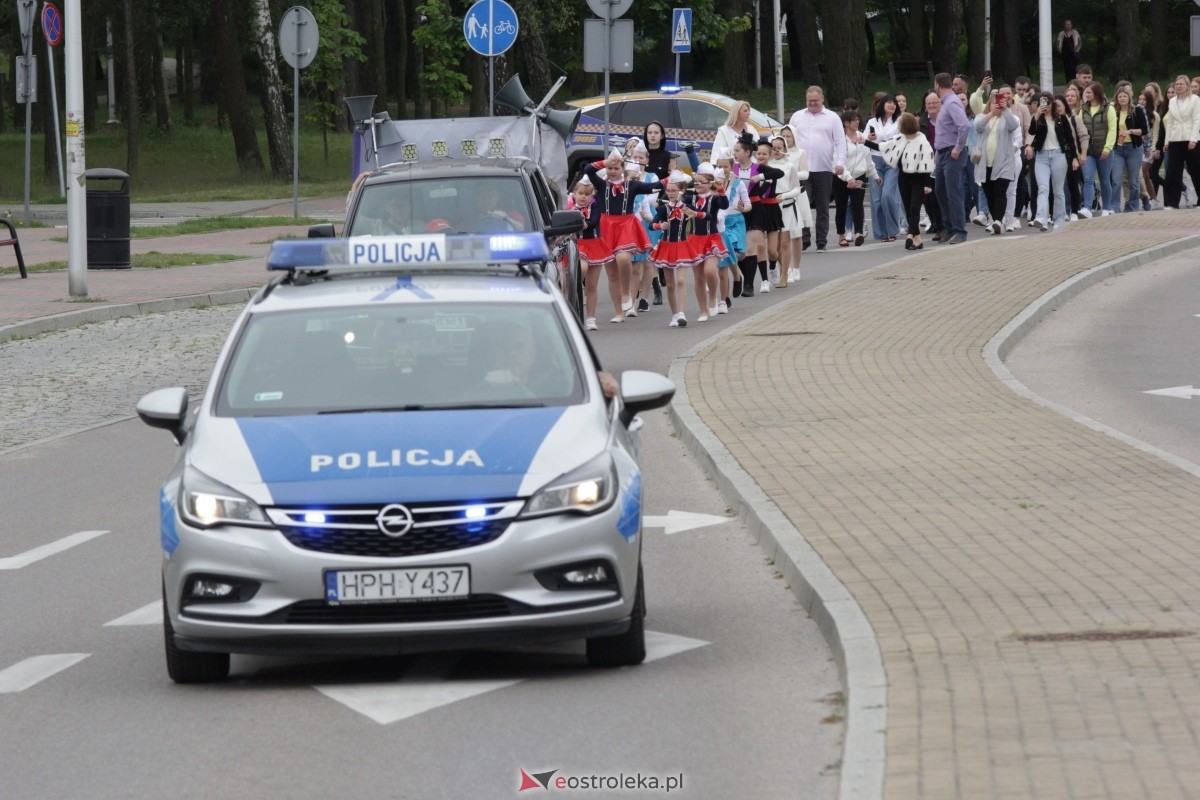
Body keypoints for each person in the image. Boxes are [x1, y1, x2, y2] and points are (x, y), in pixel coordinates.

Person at [582, 150, 664, 322]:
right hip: (606, 226)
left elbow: (651, 188)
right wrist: (606, 161)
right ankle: (619, 312)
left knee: (624, 259)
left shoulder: (632, 185)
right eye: (610, 168)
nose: (612, 171)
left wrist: (671, 180)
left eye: (616, 168)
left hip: (626, 225)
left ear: (623, 168)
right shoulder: (602, 184)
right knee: (612, 273)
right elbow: (588, 169)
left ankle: (627, 293)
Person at [788, 86, 845, 253]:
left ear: (822, 99)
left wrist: (840, 162)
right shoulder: (797, 116)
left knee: (822, 206)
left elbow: (840, 141)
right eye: (809, 101)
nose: (812, 103)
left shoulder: (832, 117)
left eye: (815, 100)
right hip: (801, 169)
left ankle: (821, 241)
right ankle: (804, 239)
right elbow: (788, 140)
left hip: (824, 168)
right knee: (801, 205)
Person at [649, 171, 703, 327]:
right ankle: (674, 315)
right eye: (669, 190)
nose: (671, 193)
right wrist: (661, 225)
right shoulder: (663, 209)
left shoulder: (688, 207)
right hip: (666, 247)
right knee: (671, 284)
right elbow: (652, 225)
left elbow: (703, 215)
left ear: (682, 191)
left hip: (682, 246)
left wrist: (695, 214)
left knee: (681, 280)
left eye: (674, 190)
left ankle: (681, 313)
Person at [880, 112, 935, 250]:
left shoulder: (922, 140)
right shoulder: (900, 139)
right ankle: (918, 240)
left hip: (918, 179)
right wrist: (865, 142)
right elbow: (885, 147)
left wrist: (928, 184)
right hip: (903, 179)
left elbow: (928, 163)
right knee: (908, 208)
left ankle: (910, 235)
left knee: (914, 208)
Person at [741, 136, 786, 295]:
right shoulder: (751, 169)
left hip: (771, 208)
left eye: (764, 154)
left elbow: (778, 173)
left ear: (770, 156)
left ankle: (773, 266)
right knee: (759, 246)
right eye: (758, 154)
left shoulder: (767, 171)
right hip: (758, 208)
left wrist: (761, 179)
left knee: (772, 251)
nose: (760, 157)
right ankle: (762, 279)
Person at [567, 176, 613, 332]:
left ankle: (591, 318)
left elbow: (593, 222)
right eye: (580, 193)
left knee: (592, 285)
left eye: (587, 194)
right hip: (578, 245)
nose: (583, 196)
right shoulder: (570, 208)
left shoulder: (595, 206)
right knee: (582, 268)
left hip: (594, 244)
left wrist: (582, 221)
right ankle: (574, 295)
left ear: (591, 195)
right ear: (574, 193)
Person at [973, 88, 1020, 235]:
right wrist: (991, 113)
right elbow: (978, 127)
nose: (997, 105)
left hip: (1004, 162)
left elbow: (1014, 126)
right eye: (994, 102)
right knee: (989, 192)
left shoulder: (1009, 118)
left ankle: (999, 221)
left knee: (1000, 191)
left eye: (999, 102)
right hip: (985, 162)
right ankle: (995, 221)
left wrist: (1005, 110)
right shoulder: (982, 116)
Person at [684, 164, 727, 318]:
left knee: (709, 270)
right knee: (698, 277)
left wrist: (721, 189)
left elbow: (724, 205)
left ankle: (713, 297)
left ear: (710, 183)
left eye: (701, 182)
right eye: (696, 182)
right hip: (695, 239)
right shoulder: (690, 198)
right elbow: (681, 207)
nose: (698, 185)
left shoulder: (714, 199)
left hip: (712, 238)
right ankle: (703, 309)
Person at [1028, 91, 1076, 231]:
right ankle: (1041, 218)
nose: (1046, 105)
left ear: (1052, 103)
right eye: (1042, 102)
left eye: (1048, 102)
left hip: (1058, 155)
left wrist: (1074, 157)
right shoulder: (1038, 119)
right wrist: (1036, 115)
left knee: (1058, 190)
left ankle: (1059, 219)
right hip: (1042, 156)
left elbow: (1070, 139)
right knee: (1043, 188)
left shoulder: (1061, 118)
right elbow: (1031, 132)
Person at [933, 72, 970, 244]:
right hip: (943, 153)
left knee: (953, 191)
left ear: (937, 86)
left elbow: (964, 125)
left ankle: (959, 230)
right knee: (940, 190)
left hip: (952, 153)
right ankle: (948, 227)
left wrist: (958, 147)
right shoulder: (945, 103)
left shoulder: (952, 103)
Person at [713, 149, 750, 312]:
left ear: (731, 167)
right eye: (719, 166)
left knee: (732, 253)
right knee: (724, 255)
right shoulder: (714, 184)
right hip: (721, 224)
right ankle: (727, 292)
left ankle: (736, 275)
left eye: (725, 167)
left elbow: (748, 204)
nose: (722, 170)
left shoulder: (738, 183)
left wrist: (744, 207)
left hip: (736, 221)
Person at [864, 94, 904, 242]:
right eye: (889, 102)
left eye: (894, 103)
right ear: (881, 105)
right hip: (875, 160)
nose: (892, 105)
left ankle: (893, 229)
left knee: (888, 195)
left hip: (892, 161)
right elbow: (863, 139)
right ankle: (881, 233)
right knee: (876, 199)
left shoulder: (899, 121)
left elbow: (902, 139)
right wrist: (870, 137)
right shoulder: (872, 122)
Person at [834, 111, 875, 247]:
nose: (857, 122)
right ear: (846, 123)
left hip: (859, 175)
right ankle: (841, 235)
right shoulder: (839, 139)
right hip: (841, 177)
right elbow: (837, 160)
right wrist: (848, 177)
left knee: (858, 204)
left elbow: (867, 156)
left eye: (858, 119)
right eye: (853, 120)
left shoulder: (861, 136)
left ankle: (859, 233)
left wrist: (875, 175)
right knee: (841, 206)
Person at [778, 126, 811, 283]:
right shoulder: (776, 156)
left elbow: (805, 173)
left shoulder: (799, 153)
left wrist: (790, 174)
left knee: (796, 234)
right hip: (781, 198)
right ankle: (786, 268)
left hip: (798, 195)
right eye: (783, 136)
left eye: (788, 136)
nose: (786, 138)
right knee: (782, 235)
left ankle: (796, 267)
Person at [1162, 75, 1200, 210]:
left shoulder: (1195, 100)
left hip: (1191, 139)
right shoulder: (1172, 101)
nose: (1178, 86)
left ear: (1187, 86)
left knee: (1196, 170)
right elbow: (1170, 122)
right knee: (1173, 171)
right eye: (1176, 84)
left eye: (1181, 84)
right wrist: (1167, 142)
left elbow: (1197, 120)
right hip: (1176, 139)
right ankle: (1172, 202)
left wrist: (1193, 139)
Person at [768, 135, 801, 286]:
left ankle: (784, 277)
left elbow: (797, 188)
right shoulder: (766, 165)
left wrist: (785, 196)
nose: (776, 151)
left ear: (784, 149)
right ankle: (783, 269)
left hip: (786, 206)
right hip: (770, 207)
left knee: (785, 243)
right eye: (773, 148)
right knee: (773, 247)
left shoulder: (789, 166)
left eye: (779, 148)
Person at [1079, 82, 1117, 216]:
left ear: (1096, 93)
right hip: (1088, 151)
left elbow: (1113, 130)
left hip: (1104, 150)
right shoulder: (1083, 109)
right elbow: (1080, 130)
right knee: (1088, 178)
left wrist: (1107, 148)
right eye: (1085, 92)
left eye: (1089, 92)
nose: (1086, 95)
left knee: (1104, 180)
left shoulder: (1109, 108)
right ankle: (1088, 208)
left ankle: (1106, 208)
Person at [1109, 86, 1147, 214]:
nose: (1122, 98)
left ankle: (1133, 206)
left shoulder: (1137, 111)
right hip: (1118, 149)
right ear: (1116, 99)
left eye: (1124, 96)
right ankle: (1114, 206)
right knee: (1116, 179)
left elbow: (1144, 130)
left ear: (1129, 97)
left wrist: (1130, 131)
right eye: (1120, 97)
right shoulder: (1114, 112)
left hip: (1133, 148)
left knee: (1134, 179)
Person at [1057, 21, 1082, 85]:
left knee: (1073, 69)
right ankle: (1068, 82)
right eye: (1066, 24)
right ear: (1064, 25)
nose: (1068, 26)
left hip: (1073, 54)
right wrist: (1060, 50)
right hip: (1065, 55)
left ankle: (1074, 82)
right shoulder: (1061, 33)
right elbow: (1058, 43)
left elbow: (1080, 42)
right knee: (1066, 69)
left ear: (1071, 25)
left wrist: (1077, 50)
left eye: (1069, 24)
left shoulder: (1075, 33)